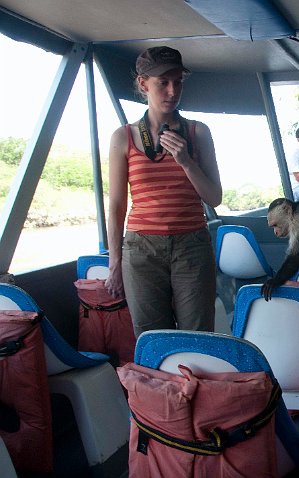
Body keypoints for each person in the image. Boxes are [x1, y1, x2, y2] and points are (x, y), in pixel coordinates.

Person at [104, 46, 222, 337]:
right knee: (151, 337)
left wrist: (186, 162)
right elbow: (117, 204)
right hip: (141, 250)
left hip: (192, 246)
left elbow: (214, 197)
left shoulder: (198, 132)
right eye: (163, 83)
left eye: (178, 82)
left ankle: (195, 384)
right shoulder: (123, 137)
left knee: (199, 335)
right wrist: (114, 261)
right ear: (143, 84)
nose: (173, 91)